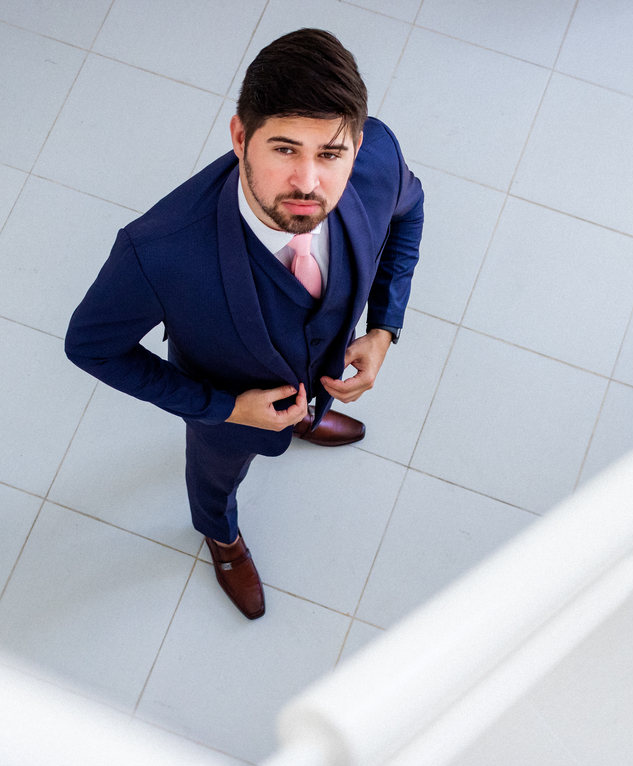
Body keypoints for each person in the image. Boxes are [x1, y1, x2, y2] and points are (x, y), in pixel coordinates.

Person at [65, 28, 423, 620]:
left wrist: (385, 327)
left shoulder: (378, 155)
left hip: (319, 373)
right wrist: (225, 408)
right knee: (214, 479)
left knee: (305, 399)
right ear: (240, 137)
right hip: (229, 415)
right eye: (284, 149)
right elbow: (91, 347)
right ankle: (221, 536)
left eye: (330, 154)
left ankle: (306, 416)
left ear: (357, 146)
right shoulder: (157, 251)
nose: (308, 181)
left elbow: (410, 210)